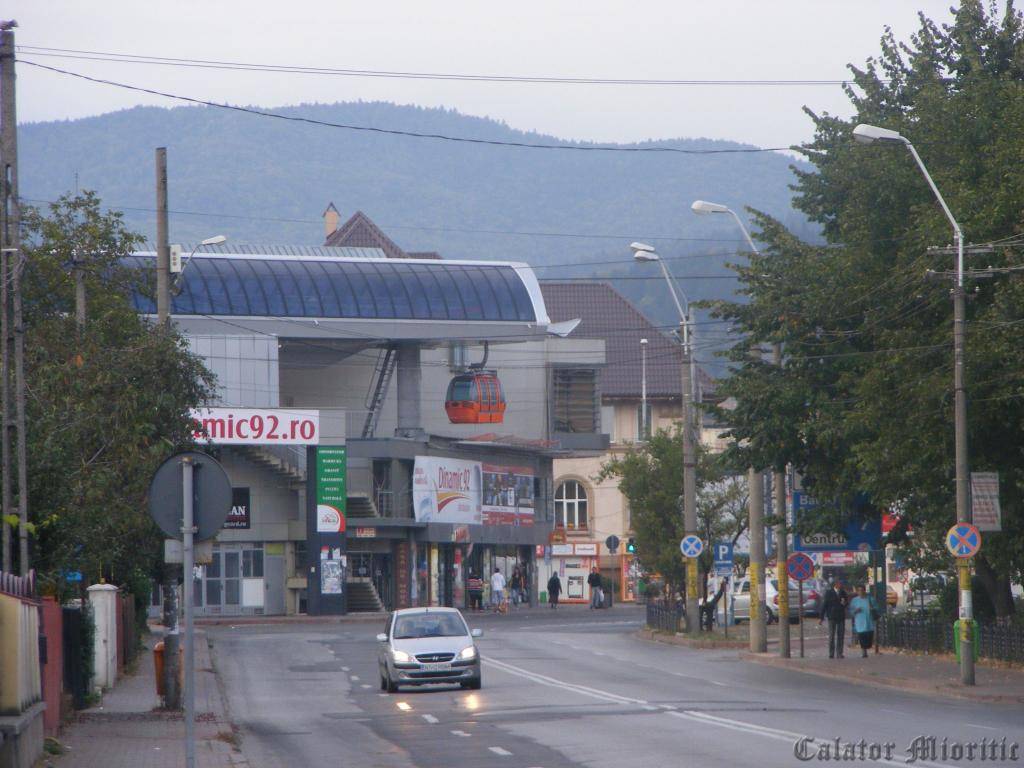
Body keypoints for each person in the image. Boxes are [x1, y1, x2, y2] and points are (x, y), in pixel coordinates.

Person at [819, 580, 848, 658]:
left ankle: (839, 653)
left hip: (841, 616)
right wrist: (821, 617)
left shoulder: (843, 592)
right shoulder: (829, 593)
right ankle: (831, 653)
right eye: (839, 583)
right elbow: (825, 604)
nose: (840, 585)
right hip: (832, 616)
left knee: (841, 635)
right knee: (831, 635)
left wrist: (844, 603)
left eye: (840, 583)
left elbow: (846, 603)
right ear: (835, 584)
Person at [849, 584, 877, 658]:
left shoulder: (870, 599)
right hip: (859, 622)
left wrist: (872, 609)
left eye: (862, 590)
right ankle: (864, 652)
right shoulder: (854, 600)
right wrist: (855, 611)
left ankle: (866, 648)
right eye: (859, 590)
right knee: (862, 637)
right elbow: (851, 611)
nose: (860, 592)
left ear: (865, 591)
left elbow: (876, 608)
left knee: (869, 638)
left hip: (869, 622)